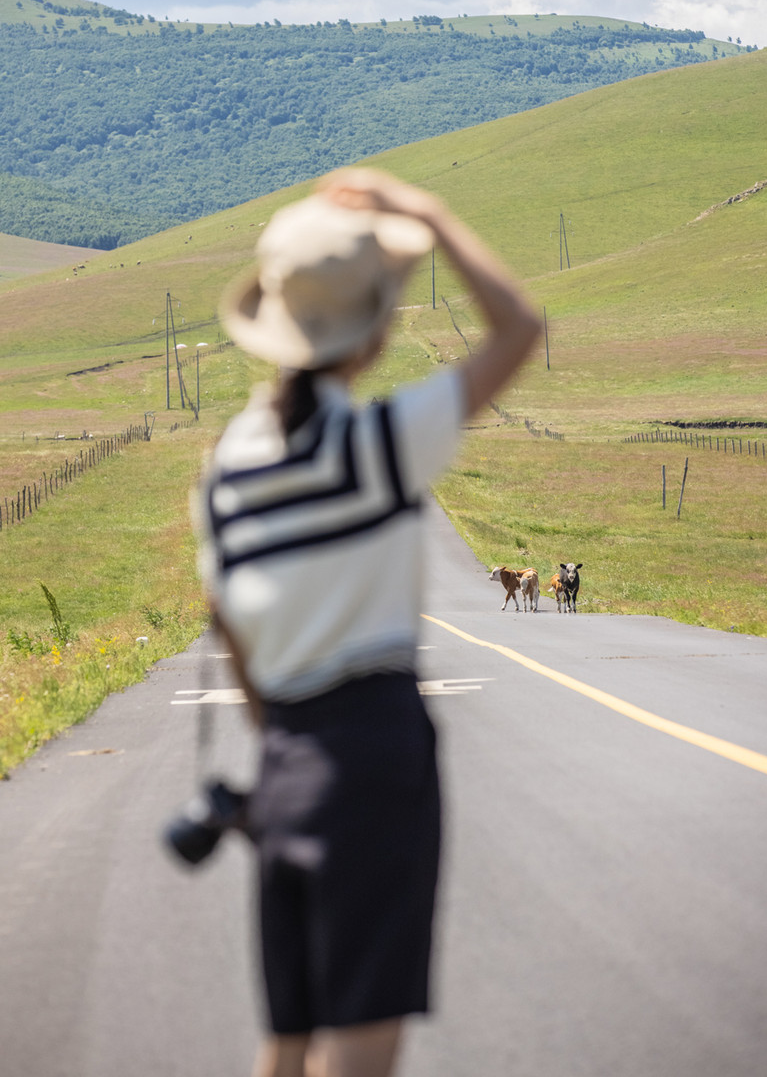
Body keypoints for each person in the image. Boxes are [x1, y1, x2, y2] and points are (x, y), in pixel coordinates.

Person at [196, 167, 541, 1077]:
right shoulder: (381, 444)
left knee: (290, 1036)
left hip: (284, 757)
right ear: (378, 331)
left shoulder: (226, 467)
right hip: (374, 754)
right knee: (360, 1043)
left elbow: (227, 620)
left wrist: (280, 745)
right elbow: (521, 329)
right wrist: (428, 211)